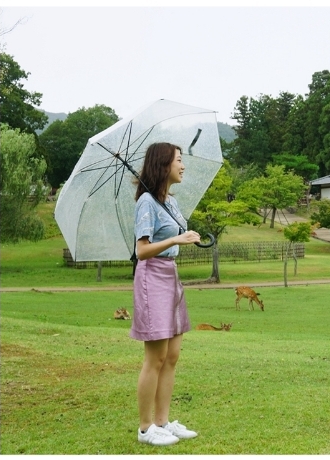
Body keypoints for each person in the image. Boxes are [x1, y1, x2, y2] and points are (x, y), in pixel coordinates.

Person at [131, 142, 201, 446]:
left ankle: (163, 422)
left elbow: (175, 237)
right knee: (155, 358)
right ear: (164, 165)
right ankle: (146, 428)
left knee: (171, 356)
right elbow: (142, 250)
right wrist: (176, 238)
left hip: (171, 275)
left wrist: (188, 238)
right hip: (152, 276)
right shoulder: (146, 202)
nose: (183, 166)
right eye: (179, 160)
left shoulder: (168, 201)